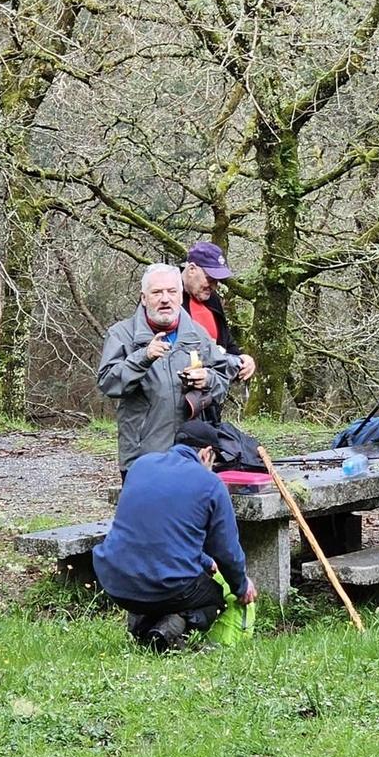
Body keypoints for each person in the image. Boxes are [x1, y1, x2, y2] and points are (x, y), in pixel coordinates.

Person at [92, 420, 258, 651]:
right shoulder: (210, 484)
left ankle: (143, 628)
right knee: (214, 596)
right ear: (206, 453)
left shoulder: (141, 465)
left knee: (165, 578)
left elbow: (159, 531)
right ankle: (169, 630)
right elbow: (226, 550)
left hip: (113, 580)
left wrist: (204, 560)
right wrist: (241, 587)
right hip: (165, 585)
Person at [97, 264, 232, 475]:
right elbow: (107, 383)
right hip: (142, 460)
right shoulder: (122, 334)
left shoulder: (198, 335)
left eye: (171, 292)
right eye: (157, 292)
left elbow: (223, 380)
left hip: (193, 458)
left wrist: (208, 379)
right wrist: (144, 357)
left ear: (180, 297)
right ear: (144, 298)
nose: (165, 299)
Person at [181, 241, 258, 385]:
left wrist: (242, 359)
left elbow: (224, 341)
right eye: (210, 279)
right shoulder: (167, 299)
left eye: (216, 281)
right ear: (191, 270)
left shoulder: (213, 300)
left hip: (210, 393)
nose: (214, 286)